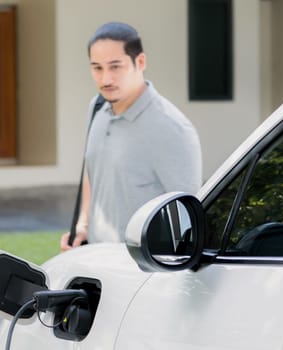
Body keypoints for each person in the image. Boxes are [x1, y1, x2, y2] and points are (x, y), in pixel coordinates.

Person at [60, 22, 202, 251]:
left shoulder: (172, 128)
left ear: (140, 62)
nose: (105, 79)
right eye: (97, 68)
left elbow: (189, 217)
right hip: (96, 260)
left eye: (115, 67)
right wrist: (83, 224)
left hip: (142, 271)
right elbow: (92, 168)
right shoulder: (97, 107)